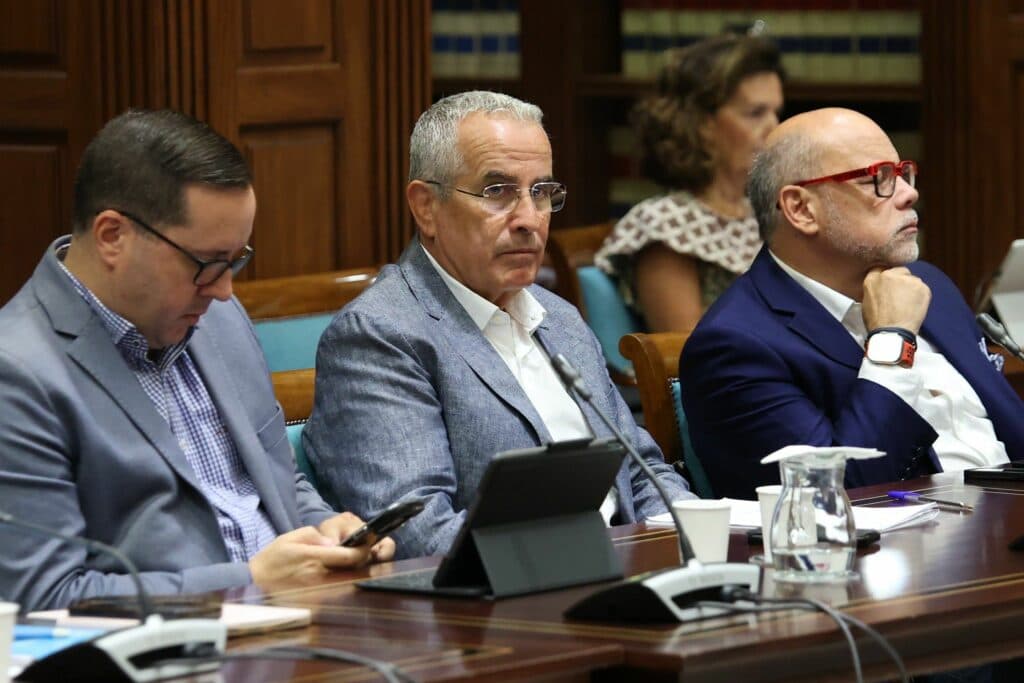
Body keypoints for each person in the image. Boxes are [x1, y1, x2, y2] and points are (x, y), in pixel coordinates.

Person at [0, 110, 394, 612]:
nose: (225, 290)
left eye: (235, 261)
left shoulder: (218, 319)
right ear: (112, 236)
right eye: (206, 264)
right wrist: (248, 582)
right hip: (174, 645)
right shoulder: (18, 372)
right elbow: (45, 598)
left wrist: (327, 531)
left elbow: (279, 482)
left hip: (307, 619)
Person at [303, 91, 694, 559]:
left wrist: (702, 540)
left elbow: (643, 474)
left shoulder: (560, 318)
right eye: (498, 192)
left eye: (541, 192)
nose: (529, 219)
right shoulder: (380, 336)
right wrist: (595, 560)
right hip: (517, 594)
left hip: (629, 573)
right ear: (426, 206)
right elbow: (417, 534)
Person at [679, 107, 1024, 500]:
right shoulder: (734, 347)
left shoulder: (929, 285)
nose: (909, 193)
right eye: (877, 179)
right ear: (801, 209)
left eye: (903, 173)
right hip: (924, 535)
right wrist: (892, 341)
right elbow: (834, 499)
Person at [594, 34, 785, 332]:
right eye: (755, 113)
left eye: (776, 112)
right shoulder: (665, 223)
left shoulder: (767, 214)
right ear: (702, 124)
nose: (776, 128)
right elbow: (687, 348)